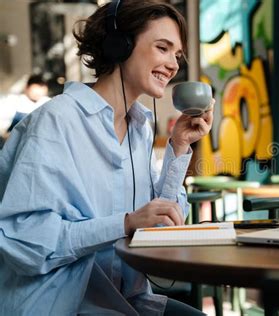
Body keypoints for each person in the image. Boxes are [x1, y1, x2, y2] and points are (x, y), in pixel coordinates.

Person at [0, 0, 213, 315]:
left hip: (126, 299)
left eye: (177, 55)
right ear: (120, 45)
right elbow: (23, 239)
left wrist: (179, 146)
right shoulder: (58, 120)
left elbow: (158, 223)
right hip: (62, 304)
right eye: (163, 48)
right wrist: (125, 223)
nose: (173, 65)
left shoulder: (139, 128)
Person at [0, 74, 50, 144]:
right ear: (27, 88)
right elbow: (4, 130)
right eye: (35, 88)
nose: (38, 92)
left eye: (42, 88)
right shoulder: (14, 101)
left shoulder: (48, 103)